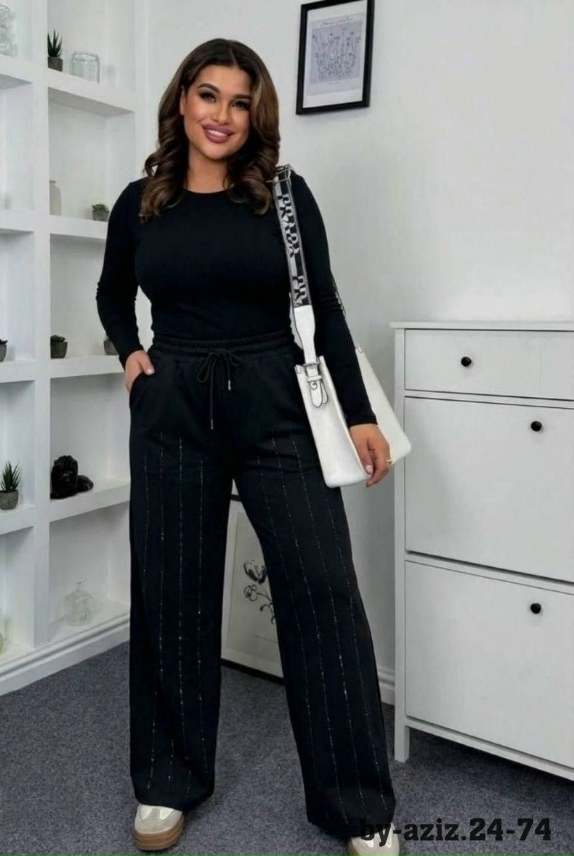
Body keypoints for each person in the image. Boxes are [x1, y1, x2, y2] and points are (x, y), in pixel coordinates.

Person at [96, 37, 401, 856]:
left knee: (323, 590)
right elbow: (111, 293)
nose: (222, 115)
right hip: (173, 402)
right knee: (171, 592)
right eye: (208, 95)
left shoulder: (285, 197)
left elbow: (324, 307)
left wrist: (360, 414)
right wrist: (131, 356)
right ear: (182, 100)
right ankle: (167, 782)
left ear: (255, 113)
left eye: (239, 101)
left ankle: (358, 805)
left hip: (276, 398)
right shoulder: (139, 202)